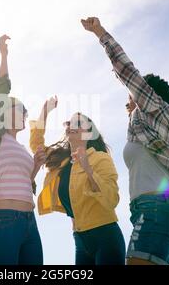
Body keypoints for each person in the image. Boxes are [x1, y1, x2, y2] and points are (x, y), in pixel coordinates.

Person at [81, 16, 169, 265]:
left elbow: (126, 70)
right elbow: (166, 182)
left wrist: (101, 33)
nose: (128, 98)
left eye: (132, 93)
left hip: (154, 211)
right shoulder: (153, 127)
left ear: (144, 94)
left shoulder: (153, 109)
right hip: (160, 210)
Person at [30, 97, 126, 265]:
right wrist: (44, 112)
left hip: (106, 236)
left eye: (78, 123)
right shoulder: (60, 161)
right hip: (79, 239)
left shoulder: (100, 158)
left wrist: (88, 169)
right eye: (69, 123)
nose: (71, 126)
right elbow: (37, 144)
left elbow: (112, 199)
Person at [0, 35, 44, 265]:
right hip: (4, 218)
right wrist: (4, 55)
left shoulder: (20, 148)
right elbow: (0, 91)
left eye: (24, 112)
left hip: (30, 220)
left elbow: (26, 183)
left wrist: (36, 166)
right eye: (19, 110)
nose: (23, 115)